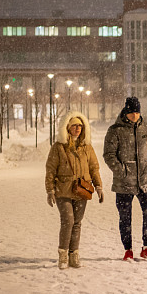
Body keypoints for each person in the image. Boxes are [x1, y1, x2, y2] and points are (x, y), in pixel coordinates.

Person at [45, 112, 104, 269]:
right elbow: (50, 169)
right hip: (63, 190)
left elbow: (94, 168)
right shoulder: (58, 147)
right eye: (74, 126)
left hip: (81, 190)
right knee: (68, 221)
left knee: (77, 223)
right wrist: (50, 190)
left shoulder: (87, 147)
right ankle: (63, 254)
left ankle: (74, 254)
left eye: (80, 126)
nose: (77, 128)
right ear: (68, 128)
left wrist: (98, 186)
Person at [103, 97, 147, 261]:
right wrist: (121, 171)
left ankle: (146, 246)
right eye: (132, 112)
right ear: (126, 112)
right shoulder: (115, 130)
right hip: (123, 183)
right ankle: (128, 249)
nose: (135, 115)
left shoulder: (145, 128)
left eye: (137, 111)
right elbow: (109, 154)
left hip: (144, 181)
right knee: (125, 217)